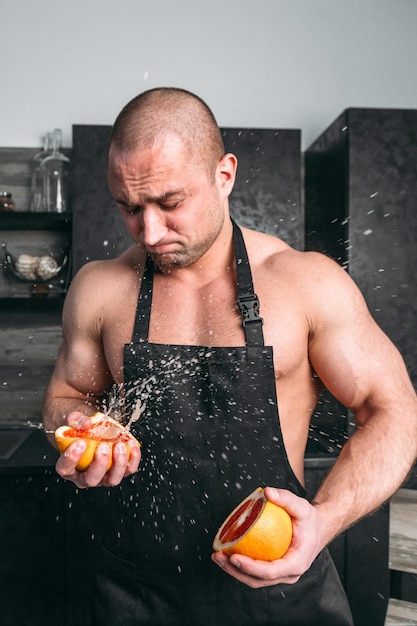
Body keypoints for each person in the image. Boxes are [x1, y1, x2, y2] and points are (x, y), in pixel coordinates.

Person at [43, 87, 417, 626]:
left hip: (280, 586)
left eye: (170, 203)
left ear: (224, 176)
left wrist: (326, 520)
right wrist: (77, 432)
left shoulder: (305, 283)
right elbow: (65, 396)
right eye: (129, 208)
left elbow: (395, 410)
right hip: (135, 591)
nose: (149, 231)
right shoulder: (99, 288)